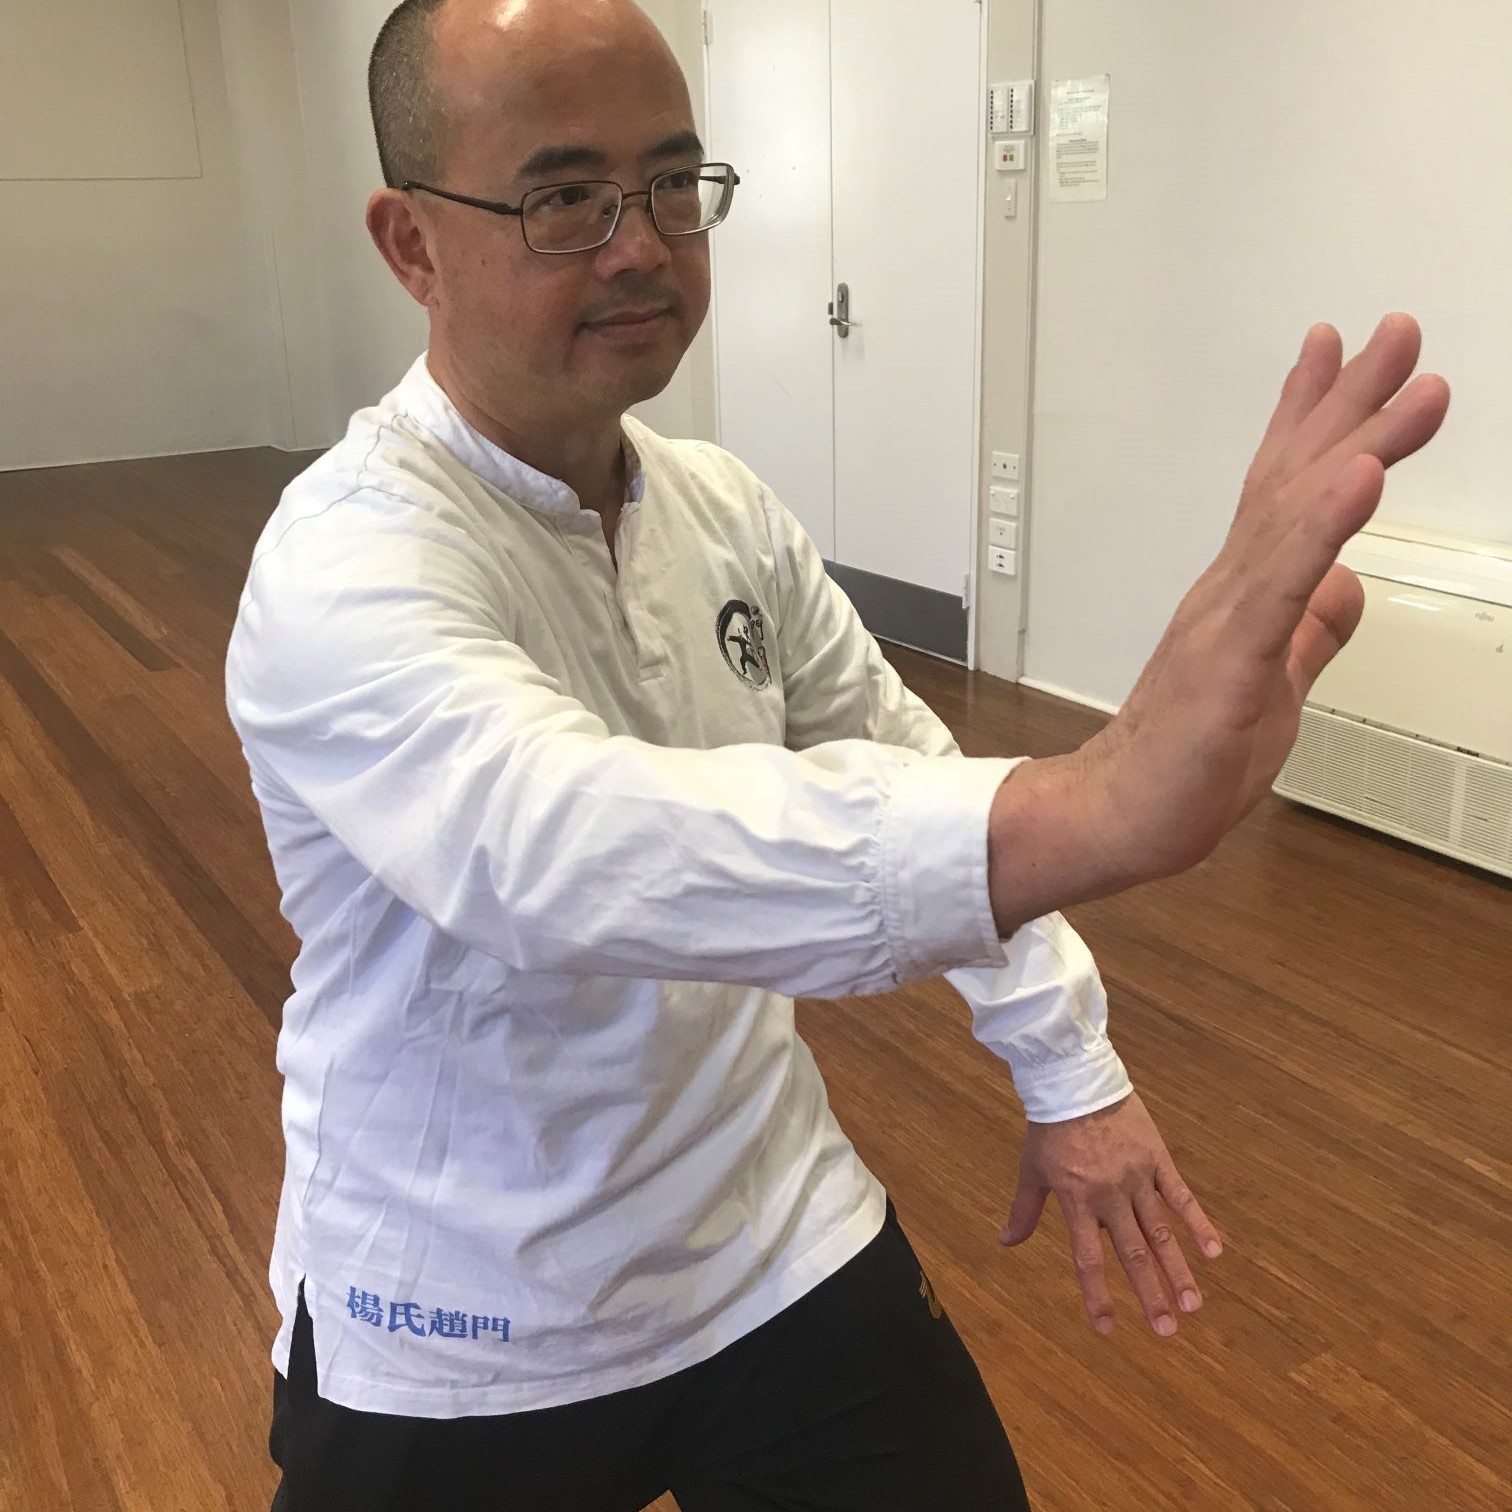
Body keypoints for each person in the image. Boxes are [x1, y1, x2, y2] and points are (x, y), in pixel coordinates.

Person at [224, 1, 1450, 1507]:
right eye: (564, 199)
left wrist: (1070, 1072)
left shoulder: (725, 509)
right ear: (411, 244)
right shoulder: (344, 563)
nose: (640, 246)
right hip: (464, 1306)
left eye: (675, 183)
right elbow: (568, 850)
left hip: (763, 1231)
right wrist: (1102, 801)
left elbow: (900, 757)